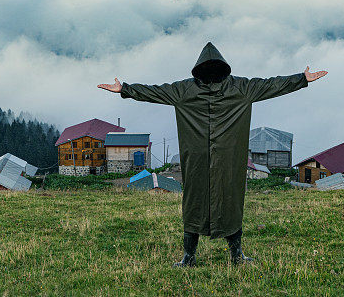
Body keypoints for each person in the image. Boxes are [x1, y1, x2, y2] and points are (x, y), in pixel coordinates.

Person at [98, 42, 327, 266]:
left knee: (216, 201)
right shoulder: (235, 88)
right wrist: (125, 89)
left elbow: (270, 86)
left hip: (212, 158)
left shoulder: (197, 89)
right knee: (211, 201)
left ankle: (218, 256)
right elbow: (269, 85)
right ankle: (208, 256)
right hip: (214, 158)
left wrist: (301, 79)